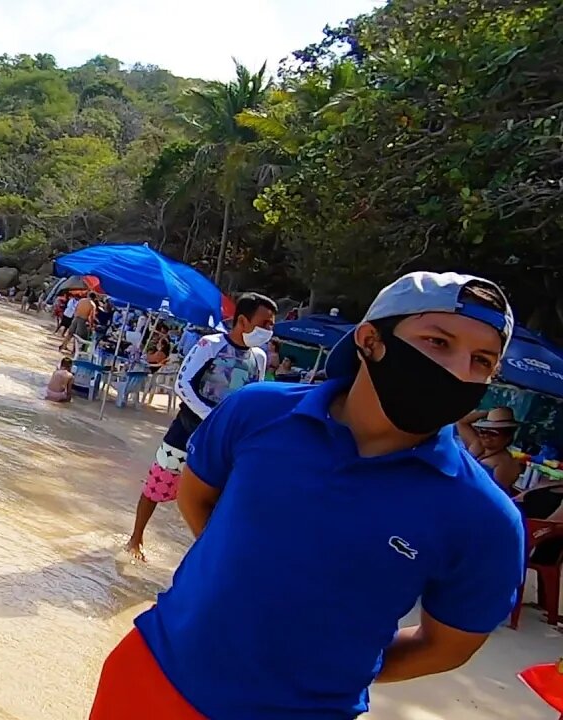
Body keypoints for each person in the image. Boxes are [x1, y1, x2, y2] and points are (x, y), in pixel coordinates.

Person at [90, 271, 525, 720]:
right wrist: (245, 583)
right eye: (438, 342)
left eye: (481, 361)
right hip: (149, 676)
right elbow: (195, 496)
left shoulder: (485, 520)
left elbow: (446, 646)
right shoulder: (257, 412)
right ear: (371, 340)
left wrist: (332, 666)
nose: (458, 370)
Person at [123, 293, 276, 562]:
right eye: (265, 323)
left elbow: (255, 395)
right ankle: (136, 537)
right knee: (159, 482)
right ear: (242, 320)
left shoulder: (259, 358)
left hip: (226, 442)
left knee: (218, 499)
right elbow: (182, 385)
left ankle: (205, 554)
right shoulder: (211, 344)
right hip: (187, 428)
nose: (269, 331)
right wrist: (213, 416)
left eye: (271, 325)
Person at [457, 407, 522, 493]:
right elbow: (461, 422)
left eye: (493, 433)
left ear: (507, 437)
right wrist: (489, 413)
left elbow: (492, 494)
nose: (486, 436)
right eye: (483, 431)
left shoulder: (506, 463)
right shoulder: (477, 445)